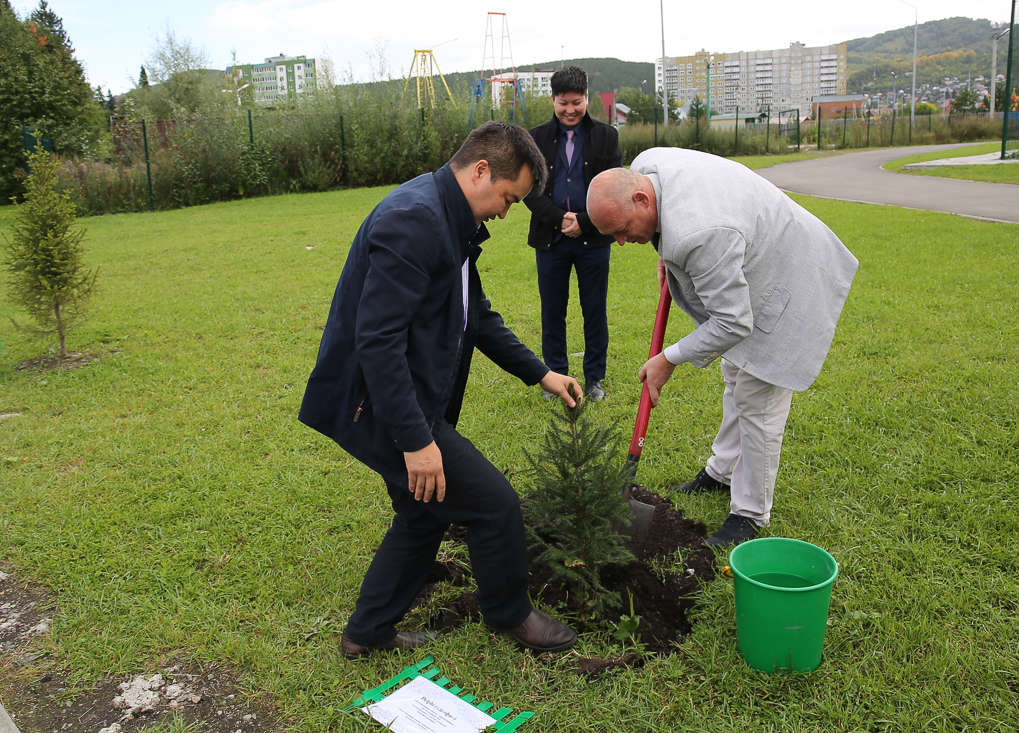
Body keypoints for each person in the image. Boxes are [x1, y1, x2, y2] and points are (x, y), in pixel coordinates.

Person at [299, 121, 582, 658]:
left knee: (424, 510)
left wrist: (541, 373)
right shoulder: (415, 220)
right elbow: (377, 343)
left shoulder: (448, 218)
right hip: (377, 402)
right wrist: (416, 441)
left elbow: (476, 317)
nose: (506, 213)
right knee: (494, 504)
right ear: (480, 171)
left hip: (399, 397)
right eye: (508, 198)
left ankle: (367, 633)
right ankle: (510, 613)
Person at [586, 148, 859, 547]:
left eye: (623, 229)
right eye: (613, 235)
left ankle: (750, 514)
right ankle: (723, 470)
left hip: (790, 272)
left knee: (757, 398)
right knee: (735, 373)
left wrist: (668, 359)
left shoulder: (699, 232)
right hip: (753, 244)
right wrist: (663, 251)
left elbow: (733, 322)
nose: (622, 242)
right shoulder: (646, 167)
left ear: (642, 199)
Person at [523, 66, 623, 402]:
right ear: (553, 99)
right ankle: (556, 376)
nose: (570, 110)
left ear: (587, 99)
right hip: (550, 240)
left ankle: (594, 378)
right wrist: (559, 219)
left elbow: (615, 189)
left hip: (593, 240)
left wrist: (585, 220)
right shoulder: (535, 138)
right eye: (563, 102)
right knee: (552, 311)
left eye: (576, 102)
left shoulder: (607, 137)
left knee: (594, 309)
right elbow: (528, 190)